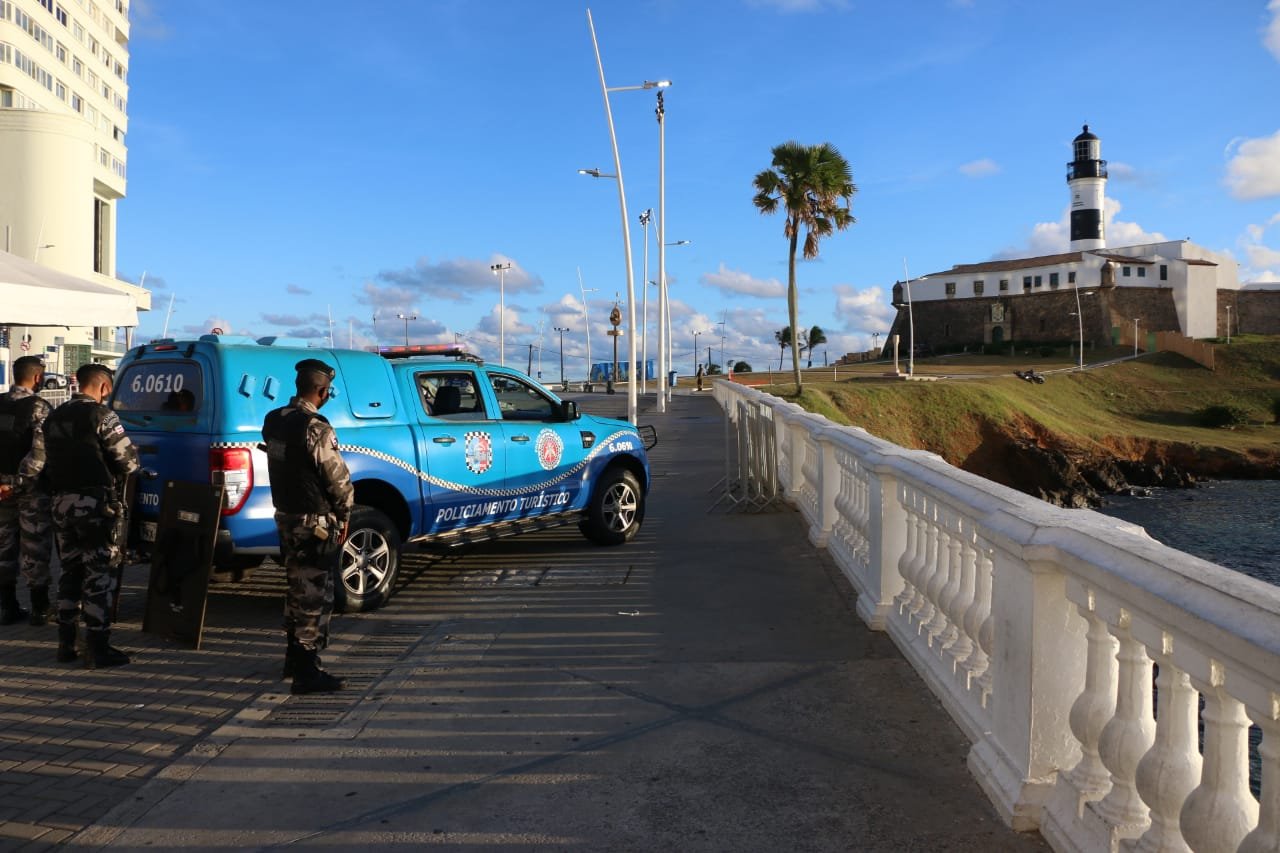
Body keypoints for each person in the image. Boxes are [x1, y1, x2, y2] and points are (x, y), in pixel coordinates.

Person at [21, 363, 138, 666]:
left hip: (61, 504)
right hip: (95, 505)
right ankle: (98, 647)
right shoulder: (102, 415)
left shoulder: (52, 417)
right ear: (103, 388)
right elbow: (127, 462)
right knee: (98, 572)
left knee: (70, 572)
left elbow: (38, 461)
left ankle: (65, 644)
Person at [262, 358, 353, 695]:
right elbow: (337, 480)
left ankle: (292, 659)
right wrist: (345, 515)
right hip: (315, 521)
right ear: (322, 391)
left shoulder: (274, 420)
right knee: (313, 594)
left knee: (296, 588)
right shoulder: (316, 428)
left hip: (286, 516)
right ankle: (306, 671)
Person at [0, 356, 56, 626]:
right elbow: (39, 453)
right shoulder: (39, 408)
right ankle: (40, 610)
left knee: (3, 547)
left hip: (1, 491)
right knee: (35, 549)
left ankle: (7, 607)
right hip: (30, 490)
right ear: (37, 377)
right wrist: (18, 481)